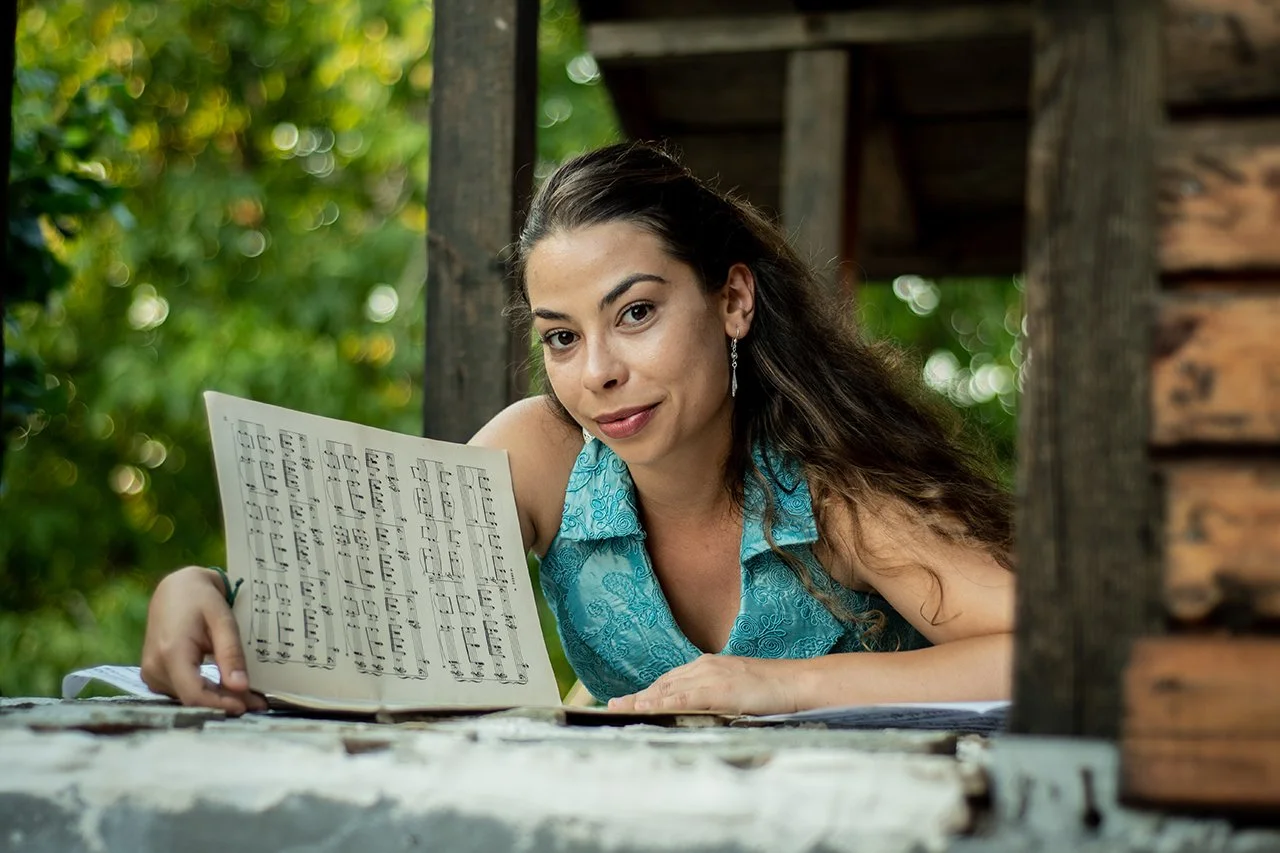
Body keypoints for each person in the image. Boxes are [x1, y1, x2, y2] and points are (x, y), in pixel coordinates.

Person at [141, 142, 1015, 717]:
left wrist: (780, 687)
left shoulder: (837, 487)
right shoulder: (538, 456)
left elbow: (1046, 658)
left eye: (634, 312)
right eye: (561, 334)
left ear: (734, 301)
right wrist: (204, 586)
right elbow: (360, 604)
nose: (595, 370)